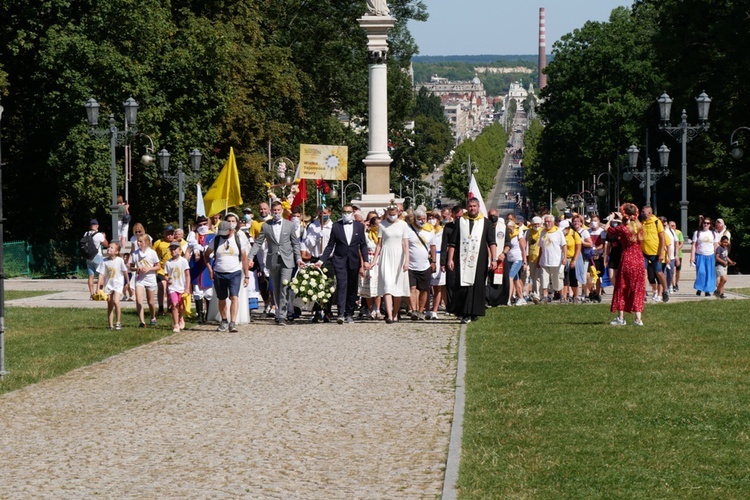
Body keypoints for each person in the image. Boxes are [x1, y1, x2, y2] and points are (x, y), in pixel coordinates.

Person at [248, 201, 304, 326]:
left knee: (284, 286)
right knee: (277, 289)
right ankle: (279, 311)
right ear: (271, 212)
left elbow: (295, 243)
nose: (276, 212)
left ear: (282, 211)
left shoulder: (289, 225)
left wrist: (298, 258)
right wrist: (250, 257)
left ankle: (283, 315)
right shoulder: (266, 226)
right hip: (273, 259)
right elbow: (258, 242)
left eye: (278, 210)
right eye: (274, 211)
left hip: (287, 259)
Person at [446, 198, 497, 323]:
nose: (472, 208)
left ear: (478, 207)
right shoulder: (460, 222)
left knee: (477, 285)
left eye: (474, 206)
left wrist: (494, 259)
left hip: (479, 258)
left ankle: (475, 312)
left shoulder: (486, 223)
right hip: (462, 258)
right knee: (463, 286)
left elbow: (492, 242)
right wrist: (450, 259)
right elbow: (452, 242)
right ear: (467, 207)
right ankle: (464, 312)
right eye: (470, 206)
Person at [317, 204, 369, 323]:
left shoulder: (359, 227)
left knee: (352, 287)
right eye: (344, 212)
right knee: (341, 285)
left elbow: (363, 245)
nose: (346, 214)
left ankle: (349, 313)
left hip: (354, 261)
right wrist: (321, 260)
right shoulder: (336, 226)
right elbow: (330, 245)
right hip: (339, 260)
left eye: (349, 212)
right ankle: (340, 313)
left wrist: (365, 260)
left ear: (352, 213)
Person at [205, 221, 250, 332]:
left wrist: (247, 275)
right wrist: (210, 269)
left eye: (225, 233)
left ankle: (233, 322)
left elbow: (244, 258)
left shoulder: (238, 239)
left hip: (234, 272)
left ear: (231, 230)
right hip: (219, 273)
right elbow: (206, 255)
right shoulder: (216, 240)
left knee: (234, 297)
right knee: (221, 298)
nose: (223, 235)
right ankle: (224, 320)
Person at [607, 203, 646, 326]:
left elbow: (608, 229)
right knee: (637, 288)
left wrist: (612, 217)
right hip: (639, 260)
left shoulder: (623, 229)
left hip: (627, 259)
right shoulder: (640, 227)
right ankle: (638, 319)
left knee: (622, 286)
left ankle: (621, 318)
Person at [371, 202, 410, 324]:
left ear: (398, 213)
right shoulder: (382, 225)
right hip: (386, 256)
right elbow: (379, 244)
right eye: (390, 214)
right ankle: (388, 315)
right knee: (387, 286)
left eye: (394, 214)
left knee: (397, 288)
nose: (392, 216)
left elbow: (405, 244)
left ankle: (395, 314)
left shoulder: (403, 225)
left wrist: (407, 260)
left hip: (399, 257)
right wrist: (374, 260)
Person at [405, 209, 436, 320]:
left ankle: (420, 310)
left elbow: (433, 246)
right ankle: (413, 310)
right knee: (412, 288)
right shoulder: (408, 229)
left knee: (424, 289)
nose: (422, 221)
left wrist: (434, 261)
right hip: (411, 265)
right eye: (419, 219)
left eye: (424, 219)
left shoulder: (430, 230)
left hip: (425, 265)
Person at [186, 215, 215, 323]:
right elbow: (191, 244)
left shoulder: (212, 235)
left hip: (207, 265)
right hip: (196, 265)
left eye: (204, 224)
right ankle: (200, 315)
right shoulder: (193, 235)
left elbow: (212, 246)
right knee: (197, 291)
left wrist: (205, 249)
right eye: (200, 224)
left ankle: (208, 314)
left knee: (208, 291)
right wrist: (196, 247)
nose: (202, 226)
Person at [96, 242, 130, 331]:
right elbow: (101, 274)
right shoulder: (104, 261)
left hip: (118, 284)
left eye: (112, 248)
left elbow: (125, 271)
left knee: (116, 301)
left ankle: (118, 322)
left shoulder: (120, 260)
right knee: (110, 303)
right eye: (109, 247)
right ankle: (110, 325)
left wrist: (127, 283)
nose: (109, 249)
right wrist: (98, 288)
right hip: (109, 285)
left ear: (116, 251)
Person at [129, 234, 160, 328]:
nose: (138, 243)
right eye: (138, 241)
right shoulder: (135, 253)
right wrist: (136, 269)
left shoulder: (152, 253)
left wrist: (149, 268)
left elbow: (158, 266)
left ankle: (153, 317)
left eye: (141, 241)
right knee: (139, 300)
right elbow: (131, 267)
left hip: (150, 278)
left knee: (150, 302)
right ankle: (142, 322)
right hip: (140, 279)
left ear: (146, 242)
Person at [640, 205, 669, 303]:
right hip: (644, 252)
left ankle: (665, 290)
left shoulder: (657, 222)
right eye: (642, 212)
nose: (642, 213)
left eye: (644, 212)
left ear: (649, 213)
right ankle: (642, 293)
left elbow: (662, 239)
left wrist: (661, 253)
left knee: (659, 272)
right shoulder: (642, 222)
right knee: (643, 272)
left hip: (655, 252)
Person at [538, 214, 567, 304]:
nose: (547, 223)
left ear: (553, 222)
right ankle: (545, 296)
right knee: (544, 279)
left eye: (549, 221)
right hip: (544, 260)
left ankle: (562, 296)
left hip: (556, 260)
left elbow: (564, 245)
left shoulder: (558, 232)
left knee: (557, 278)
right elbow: (541, 247)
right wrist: (539, 259)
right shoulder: (542, 232)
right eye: (545, 222)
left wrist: (565, 257)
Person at [164, 241, 191, 333]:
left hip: (182, 287)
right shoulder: (168, 262)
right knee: (175, 305)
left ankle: (181, 317)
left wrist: (187, 288)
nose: (173, 251)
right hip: (173, 287)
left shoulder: (183, 261)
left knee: (182, 306)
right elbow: (166, 274)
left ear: (179, 250)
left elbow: (187, 275)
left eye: (175, 249)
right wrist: (167, 279)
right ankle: (175, 324)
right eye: (171, 249)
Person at [690, 215, 719, 297]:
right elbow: (694, 245)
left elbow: (716, 245)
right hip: (700, 255)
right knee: (701, 272)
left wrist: (720, 255)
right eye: (704, 223)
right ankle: (699, 289)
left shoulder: (713, 233)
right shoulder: (697, 233)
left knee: (709, 273)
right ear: (702, 224)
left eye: (707, 223)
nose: (705, 224)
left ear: (710, 224)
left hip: (710, 256)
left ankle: (707, 290)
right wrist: (692, 257)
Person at [441, 205, 462, 315]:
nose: (458, 219)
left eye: (460, 216)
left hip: (463, 258)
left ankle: (460, 306)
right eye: (457, 217)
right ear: (452, 215)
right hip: (451, 258)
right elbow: (444, 245)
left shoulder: (465, 226)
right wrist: (442, 262)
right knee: (451, 283)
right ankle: (450, 307)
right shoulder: (448, 227)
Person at [152, 225, 176, 315]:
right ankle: (161, 307)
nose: (170, 236)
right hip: (161, 269)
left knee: (171, 288)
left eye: (171, 234)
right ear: (164, 234)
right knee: (162, 286)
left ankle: (170, 307)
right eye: (168, 234)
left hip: (172, 270)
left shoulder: (177, 243)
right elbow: (152, 253)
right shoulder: (159, 242)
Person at [503, 219, 527, 306]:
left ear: (513, 227)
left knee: (510, 277)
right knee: (516, 280)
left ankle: (508, 299)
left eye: (510, 228)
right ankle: (521, 298)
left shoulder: (518, 235)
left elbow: (523, 249)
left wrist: (525, 262)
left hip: (518, 259)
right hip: (510, 259)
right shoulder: (507, 235)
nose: (509, 230)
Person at [83, 219, 108, 299]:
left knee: (91, 276)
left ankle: (91, 294)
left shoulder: (86, 233)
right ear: (97, 225)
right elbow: (106, 244)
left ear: (90, 226)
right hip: (97, 256)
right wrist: (104, 237)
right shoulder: (99, 235)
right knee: (101, 275)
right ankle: (99, 292)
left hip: (88, 256)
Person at [428, 211, 446, 319]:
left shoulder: (442, 231)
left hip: (439, 257)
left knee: (438, 286)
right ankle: (426, 309)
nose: (431, 219)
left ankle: (435, 310)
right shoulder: (425, 230)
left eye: (434, 218)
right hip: (427, 258)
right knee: (426, 286)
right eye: (429, 217)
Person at [525, 216, 544, 303]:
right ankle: (534, 293)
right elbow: (526, 244)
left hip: (540, 258)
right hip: (531, 257)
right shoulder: (528, 232)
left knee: (538, 278)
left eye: (538, 224)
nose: (536, 225)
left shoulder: (543, 232)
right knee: (532, 277)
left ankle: (537, 295)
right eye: (534, 224)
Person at [669, 220, 684, 291]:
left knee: (678, 271)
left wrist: (677, 249)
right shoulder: (667, 233)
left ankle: (676, 283)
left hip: (679, 254)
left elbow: (682, 243)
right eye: (671, 225)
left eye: (673, 226)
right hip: (671, 254)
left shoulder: (678, 232)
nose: (672, 227)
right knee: (673, 270)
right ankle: (673, 284)